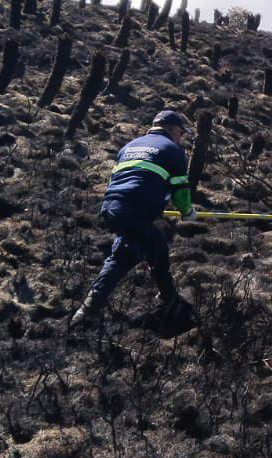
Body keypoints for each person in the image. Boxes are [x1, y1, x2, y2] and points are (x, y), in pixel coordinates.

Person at [72, 110, 196, 328]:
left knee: (137, 251)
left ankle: (88, 310)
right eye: (181, 132)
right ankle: (171, 304)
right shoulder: (173, 150)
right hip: (137, 208)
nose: (181, 137)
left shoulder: (130, 146)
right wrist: (187, 212)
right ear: (172, 129)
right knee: (144, 254)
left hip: (112, 206)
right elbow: (180, 190)